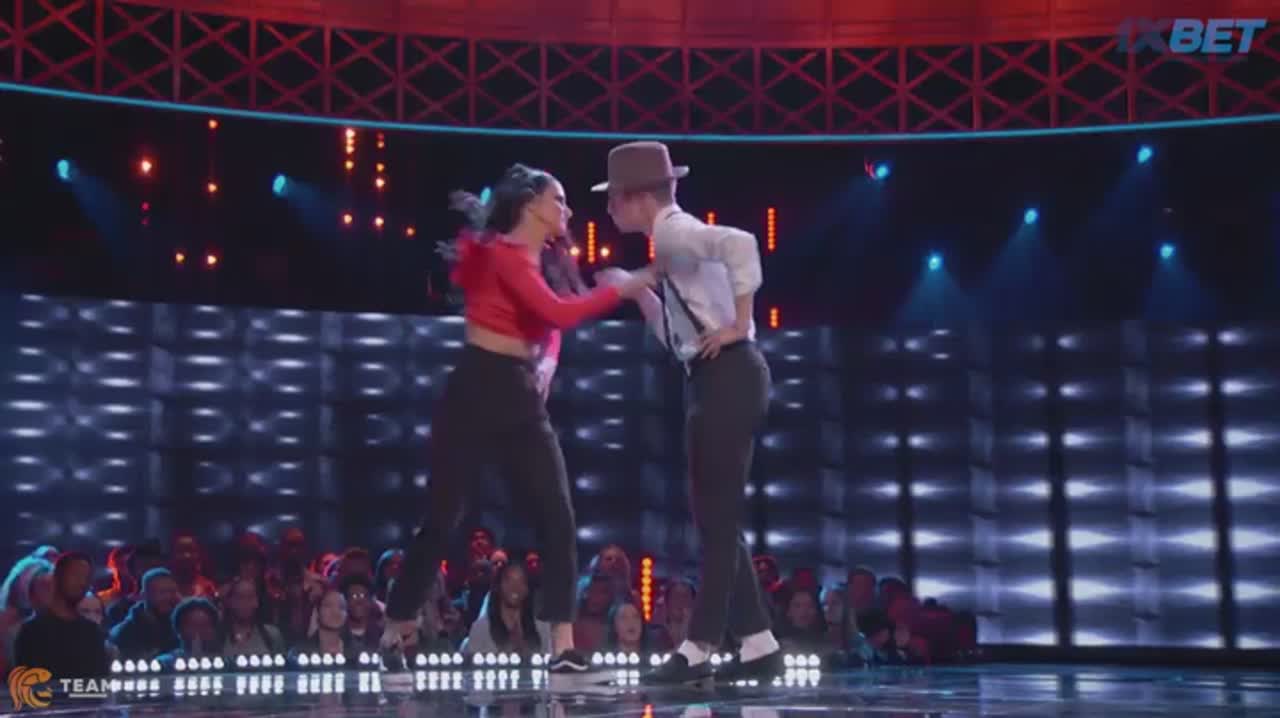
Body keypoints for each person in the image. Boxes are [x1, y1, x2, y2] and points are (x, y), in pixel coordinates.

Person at [380, 163, 659, 674]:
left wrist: (546, 364)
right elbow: (558, 312)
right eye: (559, 199)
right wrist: (627, 285)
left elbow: (550, 323)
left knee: (558, 515)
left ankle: (561, 646)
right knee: (443, 518)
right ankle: (396, 625)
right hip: (475, 386)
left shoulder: (539, 261)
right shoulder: (502, 254)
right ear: (531, 204)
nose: (567, 210)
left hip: (518, 391)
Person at [592, 141, 782, 684]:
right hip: (713, 376)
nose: (609, 209)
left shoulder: (675, 232)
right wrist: (638, 293)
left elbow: (742, 244)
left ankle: (699, 647)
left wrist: (739, 324)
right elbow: (681, 337)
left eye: (614, 198)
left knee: (716, 521)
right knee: (714, 519)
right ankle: (758, 643)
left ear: (637, 197)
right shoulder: (668, 243)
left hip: (728, 375)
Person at [13, 553, 110, 678]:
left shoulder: (91, 631)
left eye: (86, 578)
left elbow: (99, 682)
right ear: (57, 577)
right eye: (75, 575)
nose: (82, 582)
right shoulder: (32, 631)